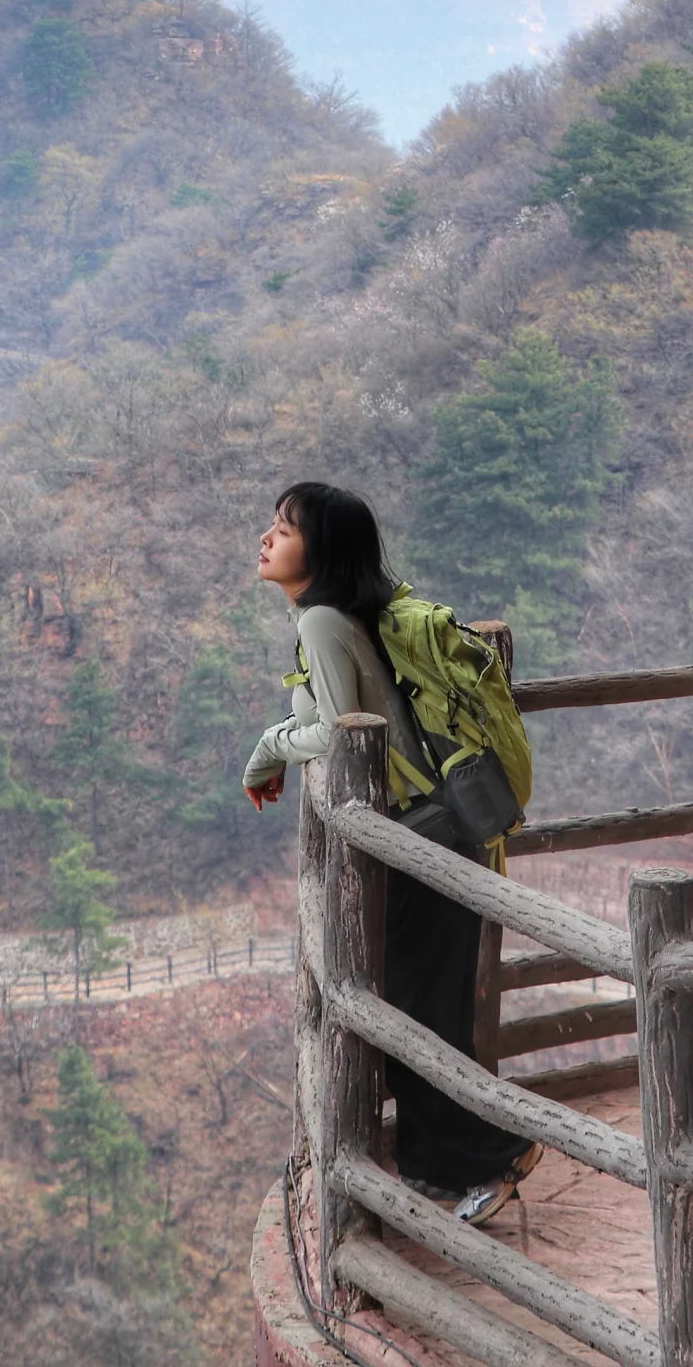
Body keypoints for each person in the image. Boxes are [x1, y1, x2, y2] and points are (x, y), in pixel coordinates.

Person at [242, 481, 542, 1226]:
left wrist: (266, 749)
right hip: (447, 838)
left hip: (418, 843)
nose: (268, 536)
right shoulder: (349, 615)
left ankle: (489, 1158)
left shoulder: (320, 620)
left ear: (324, 550)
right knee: (424, 1015)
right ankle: (462, 1162)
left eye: (285, 527)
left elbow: (342, 732)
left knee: (413, 1023)